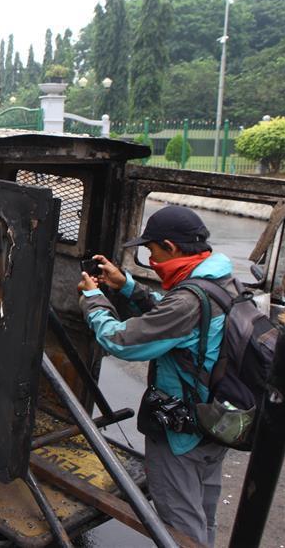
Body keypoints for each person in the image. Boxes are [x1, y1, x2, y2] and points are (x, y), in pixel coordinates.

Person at [76, 205, 233, 547]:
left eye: (152, 251)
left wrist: (93, 298)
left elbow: (121, 340)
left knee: (179, 527)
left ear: (171, 248)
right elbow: (174, 315)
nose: (151, 258)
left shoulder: (187, 301)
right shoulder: (220, 280)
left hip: (181, 433)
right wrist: (128, 286)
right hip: (214, 422)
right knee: (202, 514)